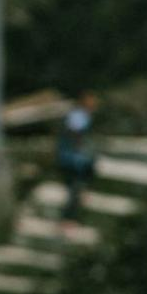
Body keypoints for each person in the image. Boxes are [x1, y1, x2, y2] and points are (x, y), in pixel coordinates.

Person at [57, 90, 99, 220]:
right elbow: (74, 131)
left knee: (77, 192)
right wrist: (80, 145)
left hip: (78, 160)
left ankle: (70, 219)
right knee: (74, 191)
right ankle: (67, 220)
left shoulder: (82, 115)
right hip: (72, 160)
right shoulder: (78, 115)